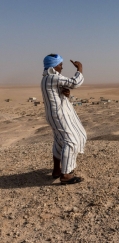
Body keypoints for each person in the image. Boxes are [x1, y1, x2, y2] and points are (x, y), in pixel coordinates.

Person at [41, 54, 87, 184]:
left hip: (56, 115)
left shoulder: (47, 78)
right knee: (71, 140)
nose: (61, 67)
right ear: (54, 66)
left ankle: (57, 170)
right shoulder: (52, 77)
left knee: (60, 141)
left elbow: (60, 90)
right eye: (60, 64)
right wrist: (80, 69)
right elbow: (74, 82)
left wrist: (65, 92)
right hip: (59, 115)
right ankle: (66, 175)